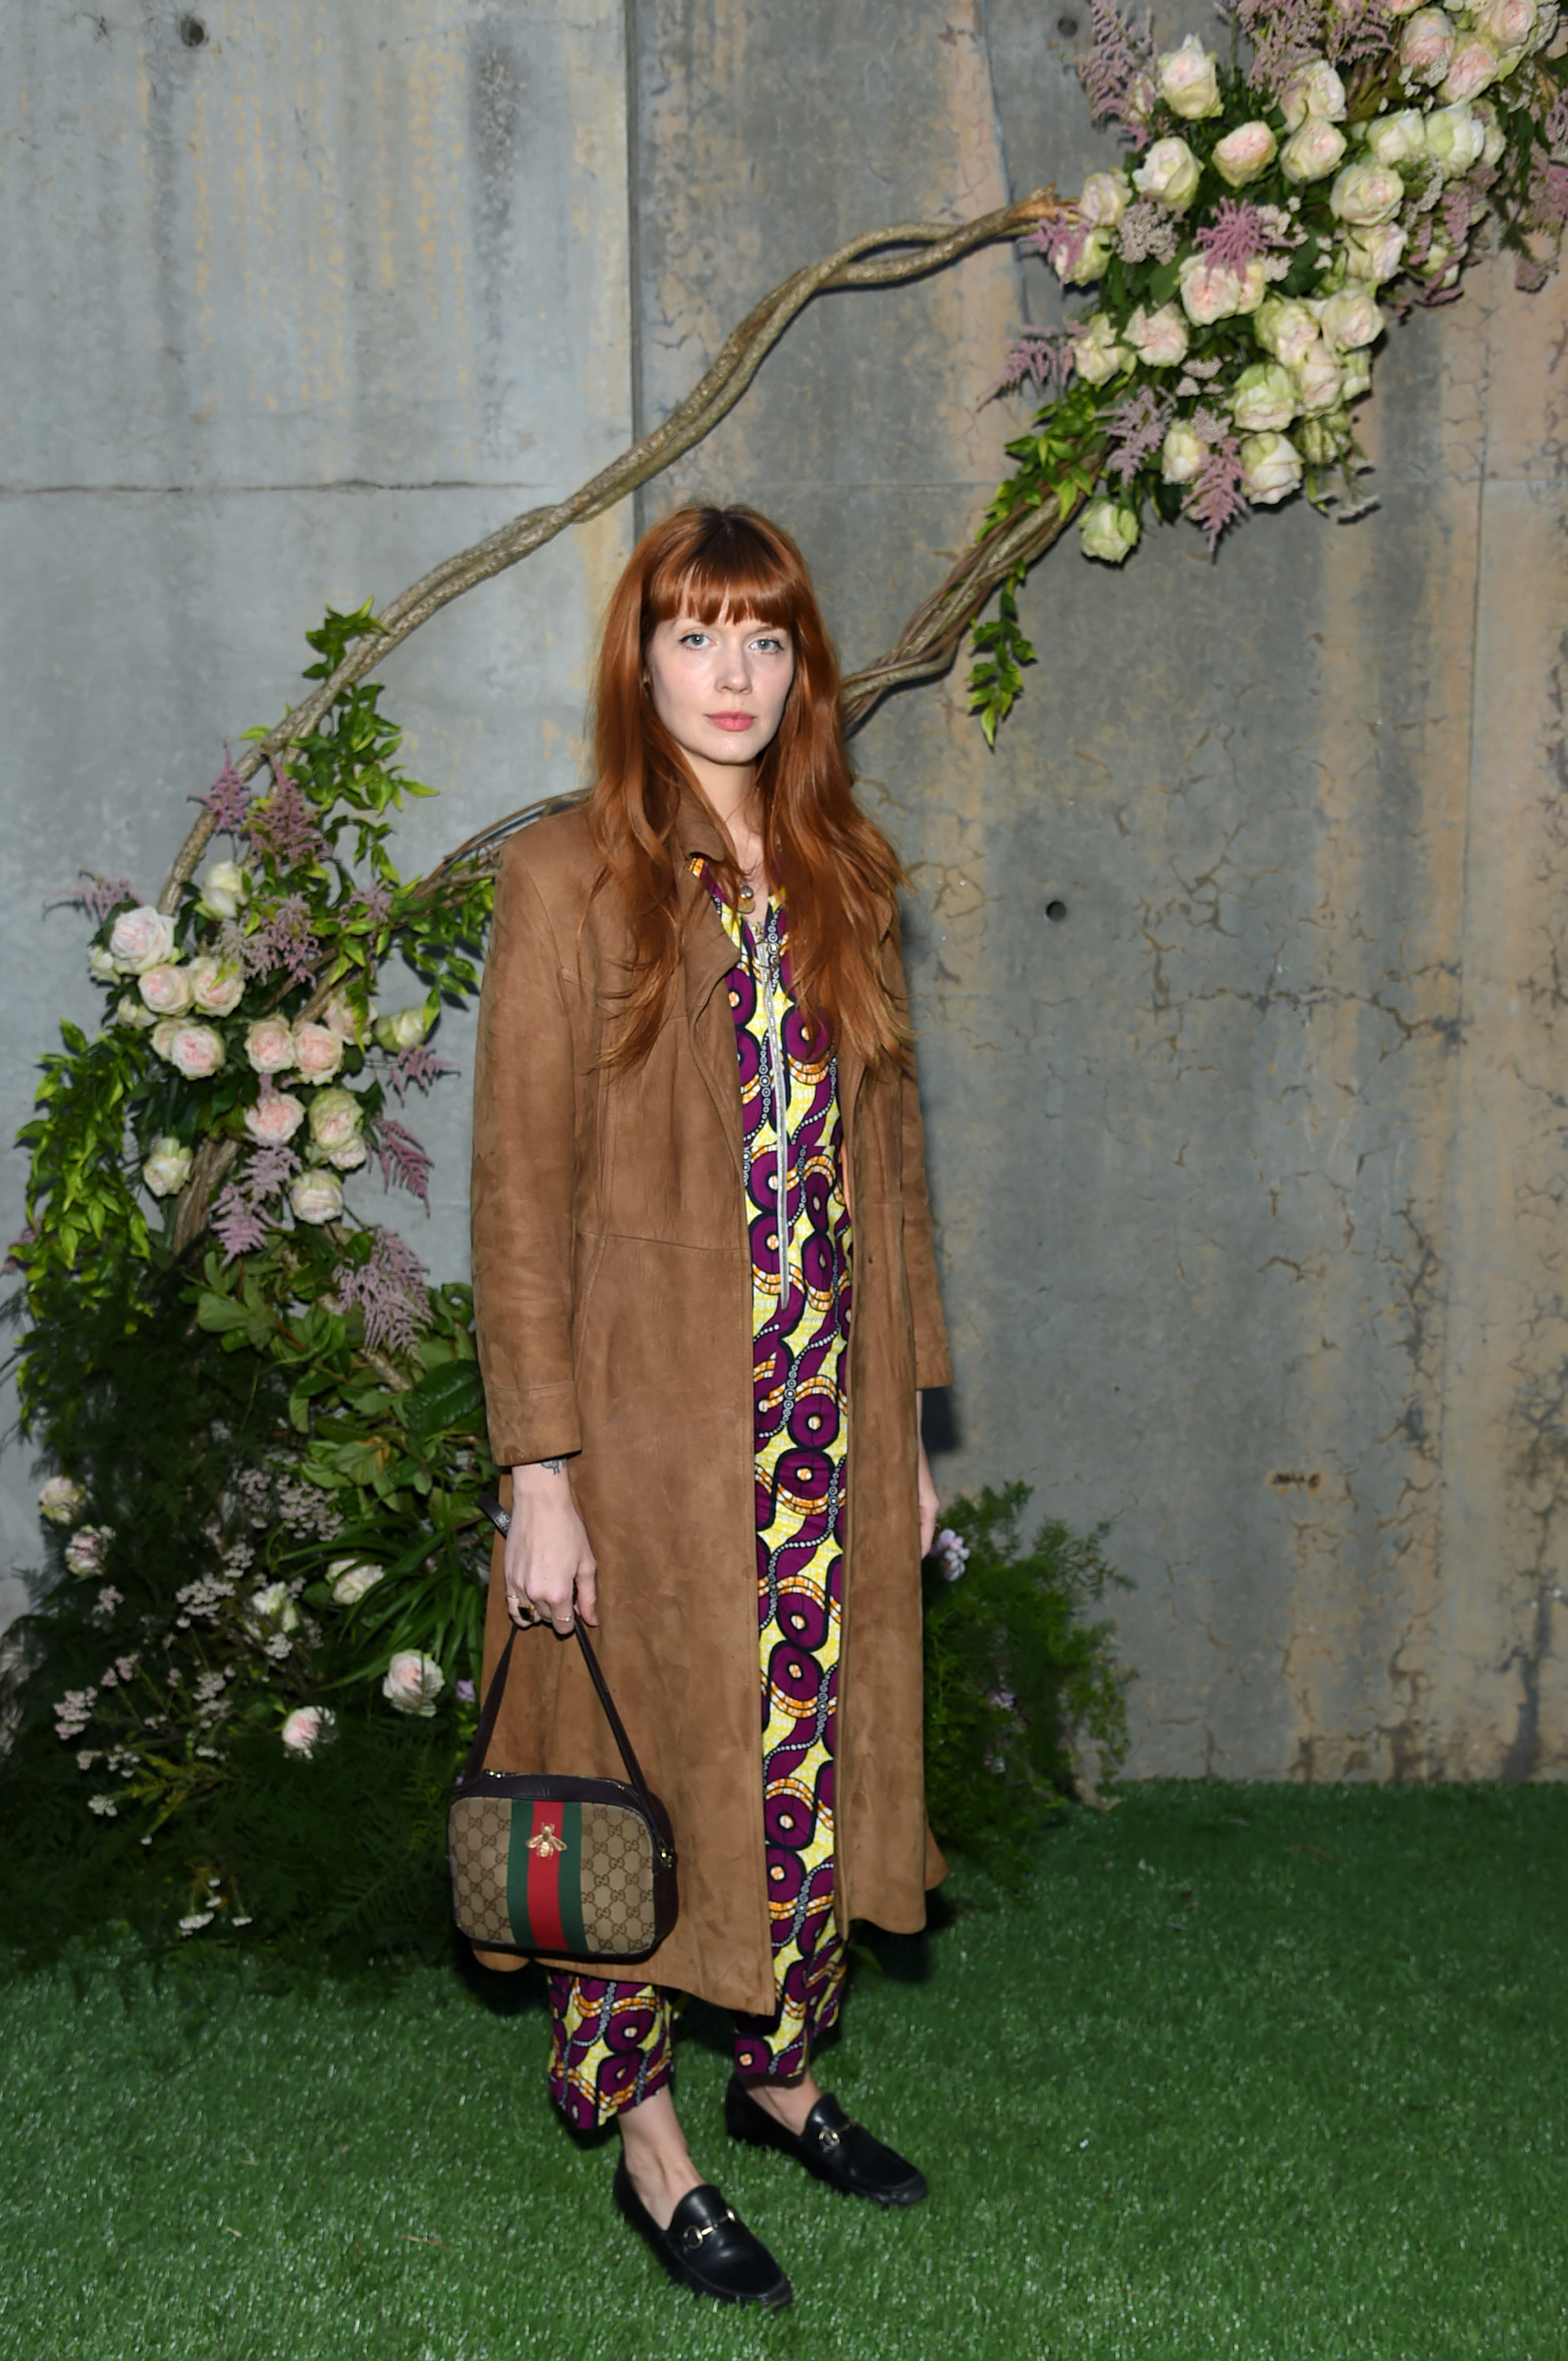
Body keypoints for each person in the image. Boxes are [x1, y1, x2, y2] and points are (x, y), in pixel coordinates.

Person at [469, 504, 952, 2310]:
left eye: (765, 640)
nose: (733, 676)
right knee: (644, 1780)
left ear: (803, 667)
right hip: (657, 1449)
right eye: (695, 635)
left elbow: (893, 1177)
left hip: (826, 1431)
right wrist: (541, 1475)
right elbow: (518, 1198)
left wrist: (904, 1433)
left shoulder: (847, 875)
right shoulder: (565, 882)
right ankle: (652, 2146)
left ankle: (781, 2073)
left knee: (808, 1765)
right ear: (639, 659)